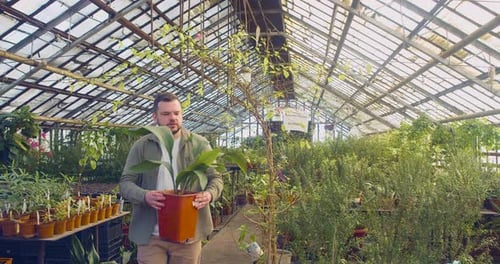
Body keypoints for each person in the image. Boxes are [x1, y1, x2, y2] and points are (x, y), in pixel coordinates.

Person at [120, 92, 223, 264]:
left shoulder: (198, 144)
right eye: (166, 114)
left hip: (188, 235)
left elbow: (216, 179)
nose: (172, 118)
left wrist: (209, 195)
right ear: (155, 117)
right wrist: (145, 196)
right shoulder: (142, 146)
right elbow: (125, 183)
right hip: (151, 235)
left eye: (176, 113)